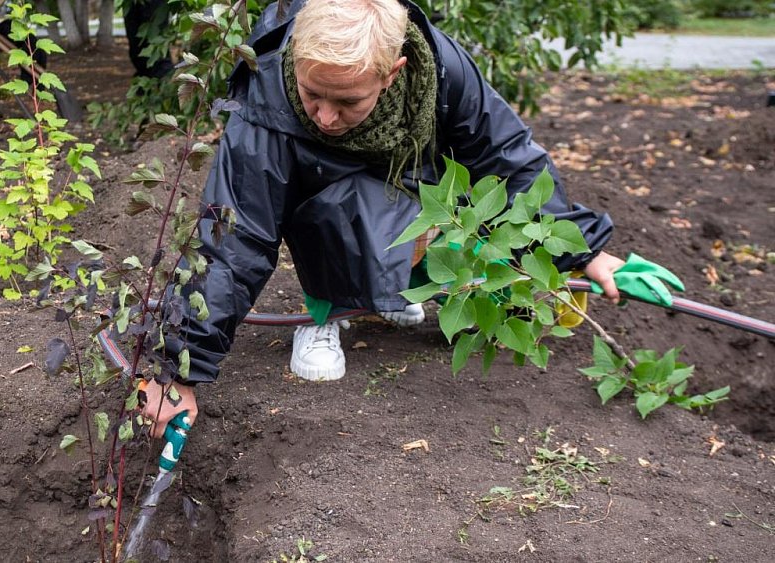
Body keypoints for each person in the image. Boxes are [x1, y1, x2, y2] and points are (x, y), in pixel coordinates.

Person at [141, 0, 625, 436]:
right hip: (316, 207)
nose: (325, 117)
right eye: (313, 95)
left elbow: (507, 157)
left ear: (393, 73)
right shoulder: (267, 89)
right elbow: (236, 232)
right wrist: (175, 368)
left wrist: (583, 249)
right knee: (341, 205)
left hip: (410, 191)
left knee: (449, 198)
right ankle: (324, 314)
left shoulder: (437, 70)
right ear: (294, 62)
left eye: (347, 101)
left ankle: (391, 286)